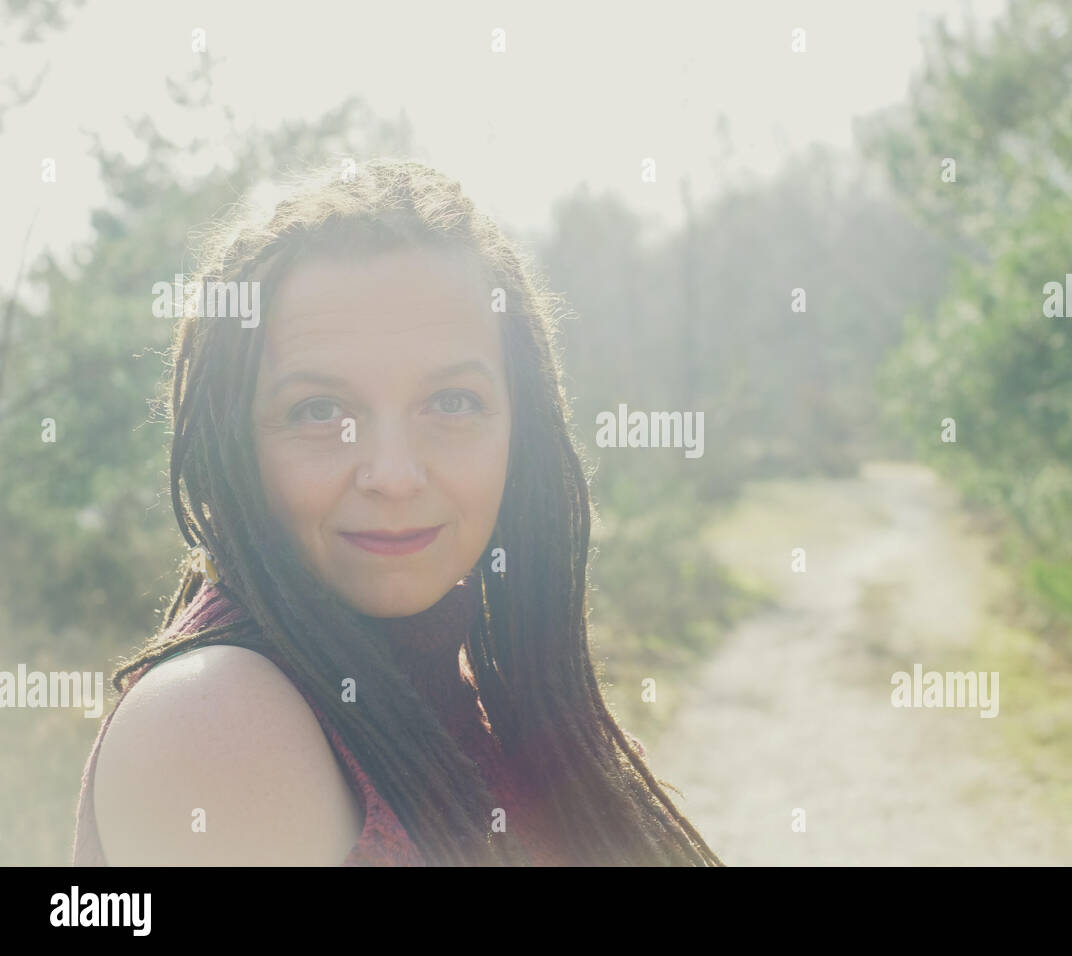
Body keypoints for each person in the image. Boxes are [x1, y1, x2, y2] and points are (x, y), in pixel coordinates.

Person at [72, 159, 723, 866]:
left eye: (451, 403)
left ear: (520, 430)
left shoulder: (474, 694)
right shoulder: (210, 720)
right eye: (320, 411)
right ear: (236, 447)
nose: (394, 475)